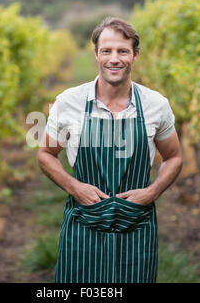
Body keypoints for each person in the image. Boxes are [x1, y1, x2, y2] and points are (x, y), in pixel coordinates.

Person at [37, 17, 183, 283]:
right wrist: (75, 187)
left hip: (136, 226)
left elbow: (174, 157)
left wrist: (152, 191)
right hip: (84, 224)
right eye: (106, 51)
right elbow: (46, 154)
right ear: (96, 54)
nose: (114, 59)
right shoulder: (69, 102)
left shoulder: (155, 105)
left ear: (135, 55)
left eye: (122, 51)